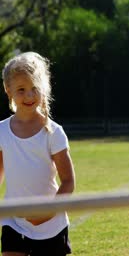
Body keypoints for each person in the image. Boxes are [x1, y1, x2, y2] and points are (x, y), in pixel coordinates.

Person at [0, 52, 75, 255]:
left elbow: (68, 182)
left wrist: (47, 213)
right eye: (21, 90)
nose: (29, 96)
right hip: (13, 221)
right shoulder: (1, 130)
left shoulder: (53, 132)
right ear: (8, 90)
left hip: (52, 225)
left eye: (35, 88)